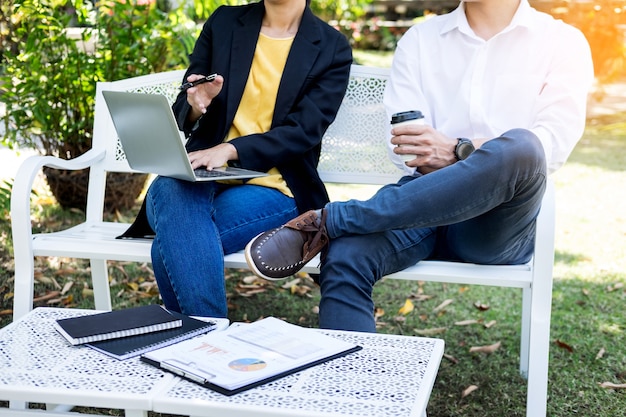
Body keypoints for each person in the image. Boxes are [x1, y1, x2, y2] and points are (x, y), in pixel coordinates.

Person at [244, 0, 594, 332]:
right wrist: (462, 155)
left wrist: (458, 150)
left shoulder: (562, 42)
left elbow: (550, 146)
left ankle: (333, 219)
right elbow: (406, 147)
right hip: (417, 206)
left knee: (523, 147)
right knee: (346, 254)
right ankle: (350, 388)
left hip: (495, 224)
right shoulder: (421, 40)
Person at [126, 0, 352, 318]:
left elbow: (304, 131)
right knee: (168, 189)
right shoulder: (224, 22)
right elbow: (186, 105)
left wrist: (232, 149)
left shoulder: (331, 47)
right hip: (200, 175)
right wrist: (196, 102)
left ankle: (201, 337)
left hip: (275, 184)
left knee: (176, 239)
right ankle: (211, 340)